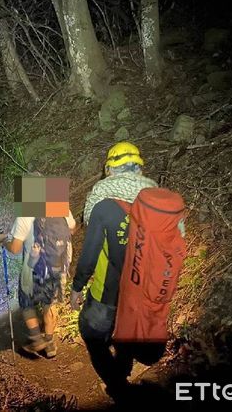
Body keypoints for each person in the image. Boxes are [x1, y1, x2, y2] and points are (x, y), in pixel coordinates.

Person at [70, 141, 160, 401]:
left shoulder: (104, 205)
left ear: (110, 169)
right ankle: (125, 366)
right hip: (144, 291)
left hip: (109, 292)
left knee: (91, 334)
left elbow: (89, 256)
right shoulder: (156, 201)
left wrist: (77, 287)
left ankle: (118, 385)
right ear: (139, 168)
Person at [0, 208, 76, 358]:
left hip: (33, 269)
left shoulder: (25, 215)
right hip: (58, 268)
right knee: (49, 304)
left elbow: (15, 248)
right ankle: (50, 342)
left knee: (27, 303)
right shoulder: (60, 206)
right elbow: (72, 228)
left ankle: (36, 338)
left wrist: (4, 240)